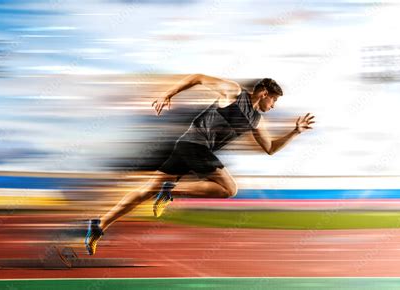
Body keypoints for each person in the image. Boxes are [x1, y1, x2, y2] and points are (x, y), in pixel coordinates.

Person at [85, 74, 315, 255]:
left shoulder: (256, 121)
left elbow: (270, 148)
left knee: (147, 190)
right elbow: (198, 77)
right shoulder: (234, 92)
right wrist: (168, 94)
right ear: (264, 92)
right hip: (195, 145)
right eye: (273, 99)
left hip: (187, 147)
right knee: (229, 189)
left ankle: (100, 224)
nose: (273, 105)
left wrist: (295, 131)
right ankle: (171, 190)